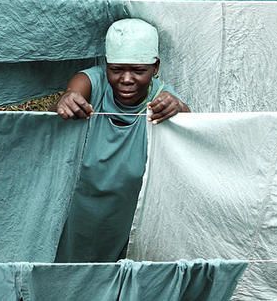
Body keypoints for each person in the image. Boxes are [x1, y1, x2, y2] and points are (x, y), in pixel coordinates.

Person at [54, 18, 189, 263]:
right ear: (106, 65)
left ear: (155, 68)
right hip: (81, 207)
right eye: (116, 69)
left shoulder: (161, 98)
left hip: (128, 213)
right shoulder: (95, 83)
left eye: (139, 70)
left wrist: (178, 107)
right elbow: (75, 90)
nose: (126, 79)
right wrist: (69, 98)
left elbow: (189, 123)